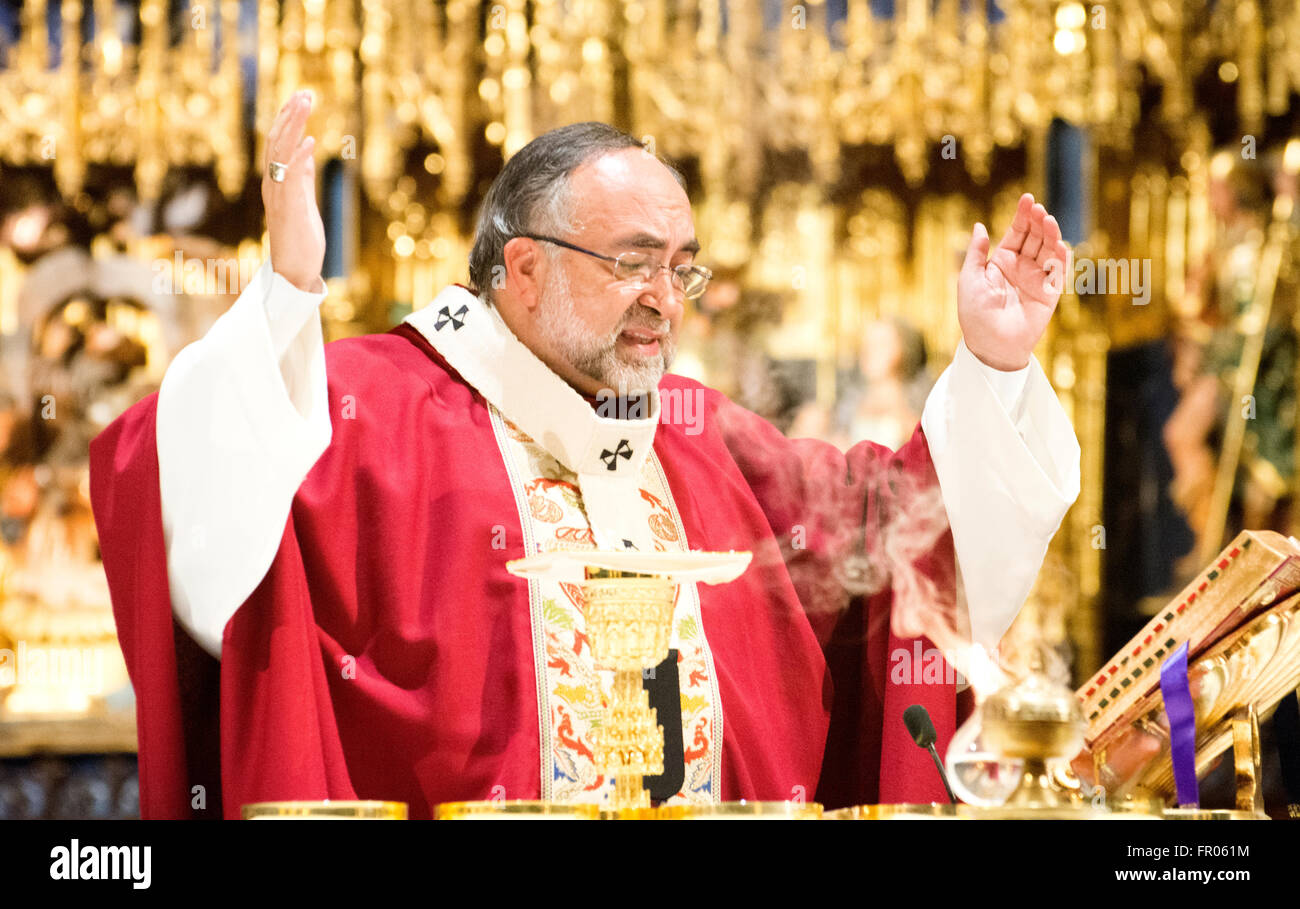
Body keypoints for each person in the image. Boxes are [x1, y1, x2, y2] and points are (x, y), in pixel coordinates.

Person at [89, 92, 1080, 819]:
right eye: (633, 263)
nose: (666, 298)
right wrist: (281, 304)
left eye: (680, 266)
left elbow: (885, 528)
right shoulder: (366, 409)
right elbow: (164, 473)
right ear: (523, 267)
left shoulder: (698, 436)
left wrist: (993, 366)